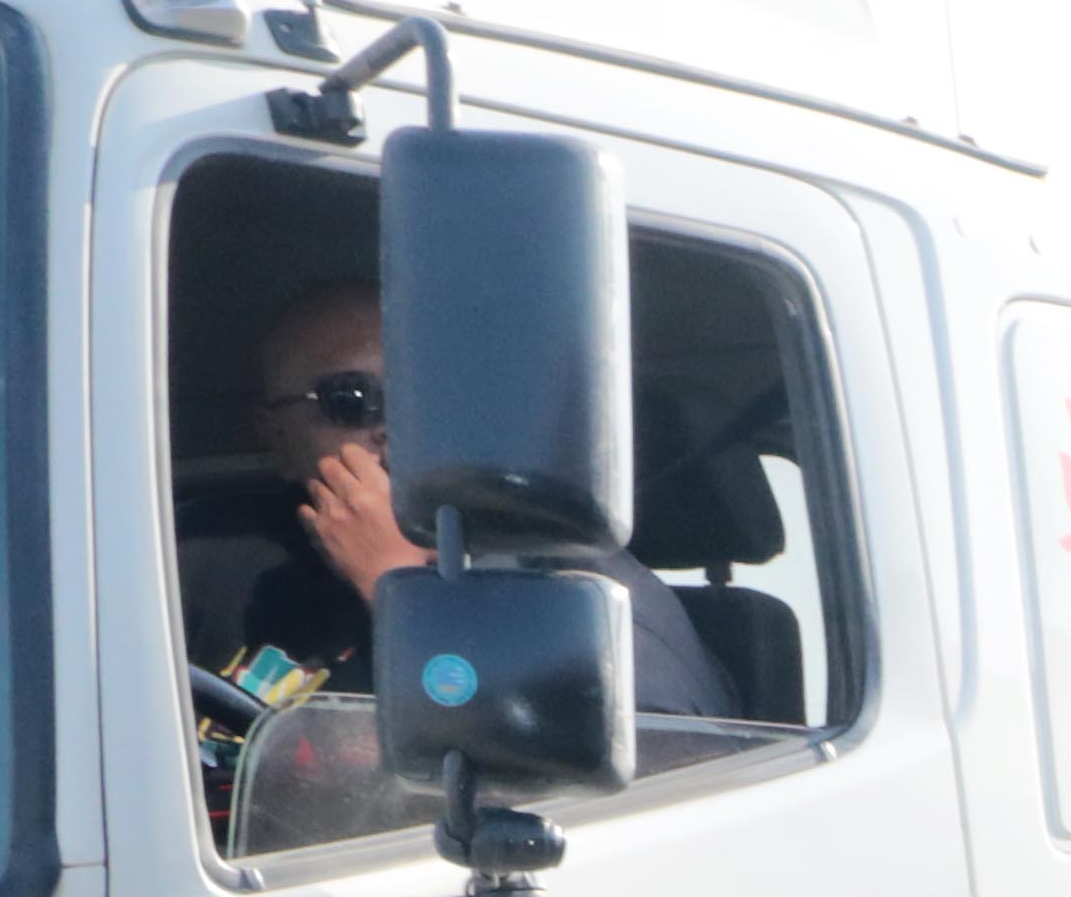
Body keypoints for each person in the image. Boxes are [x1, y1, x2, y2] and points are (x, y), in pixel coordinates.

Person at [211, 278, 735, 727]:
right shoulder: (209, 571)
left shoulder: (580, 596)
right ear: (277, 437)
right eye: (348, 399)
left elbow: (583, 803)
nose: (390, 426)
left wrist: (394, 583)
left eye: (420, 394)